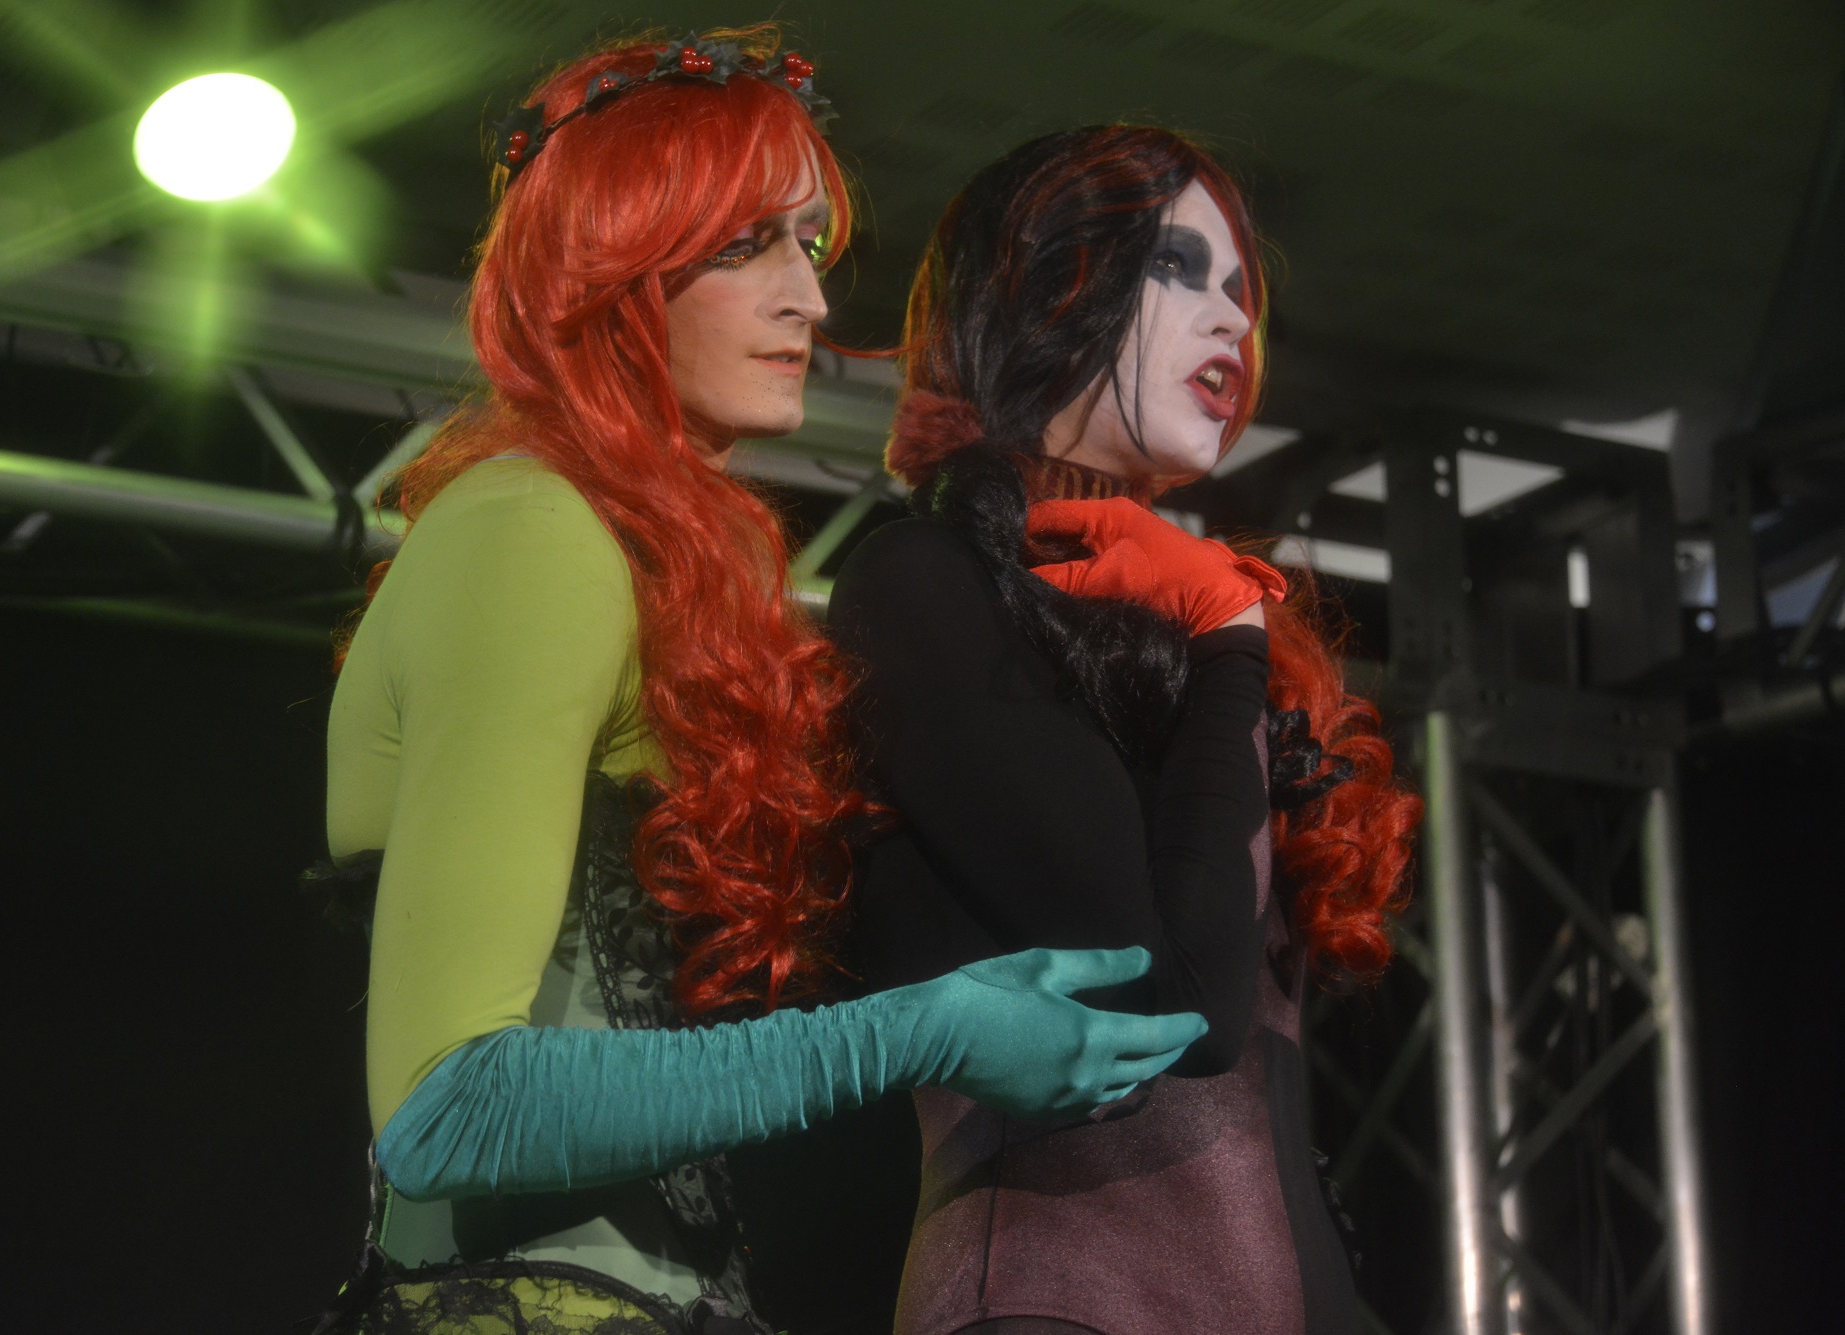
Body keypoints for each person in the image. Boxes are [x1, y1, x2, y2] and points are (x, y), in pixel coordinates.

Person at [311, 36, 1209, 1335]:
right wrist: (918, 1031)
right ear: (609, 271)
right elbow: (448, 1110)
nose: (810, 300)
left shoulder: (636, 560)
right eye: (747, 247)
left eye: (808, 245)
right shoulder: (529, 532)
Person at [828, 125, 1424, 1334]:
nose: (1231, 321)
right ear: (1038, 285)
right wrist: (1226, 637)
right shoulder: (921, 583)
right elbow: (1174, 1006)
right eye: (1173, 267)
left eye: (1240, 291)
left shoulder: (1191, 620)